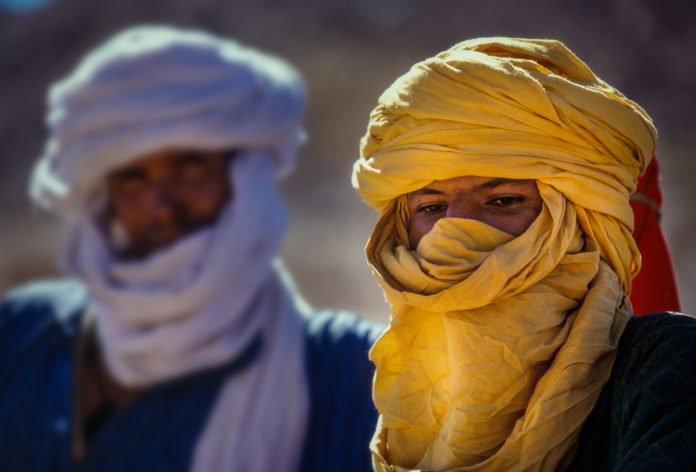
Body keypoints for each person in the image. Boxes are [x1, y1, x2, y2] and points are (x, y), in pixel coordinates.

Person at [0, 26, 380, 471]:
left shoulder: (348, 373)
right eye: (131, 177)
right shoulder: (24, 332)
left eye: (191, 167)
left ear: (248, 179)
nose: (160, 207)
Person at [352, 37, 696, 471]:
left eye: (503, 201)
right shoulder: (403, 407)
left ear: (577, 222)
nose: (453, 230)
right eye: (431, 207)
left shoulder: (668, 369)